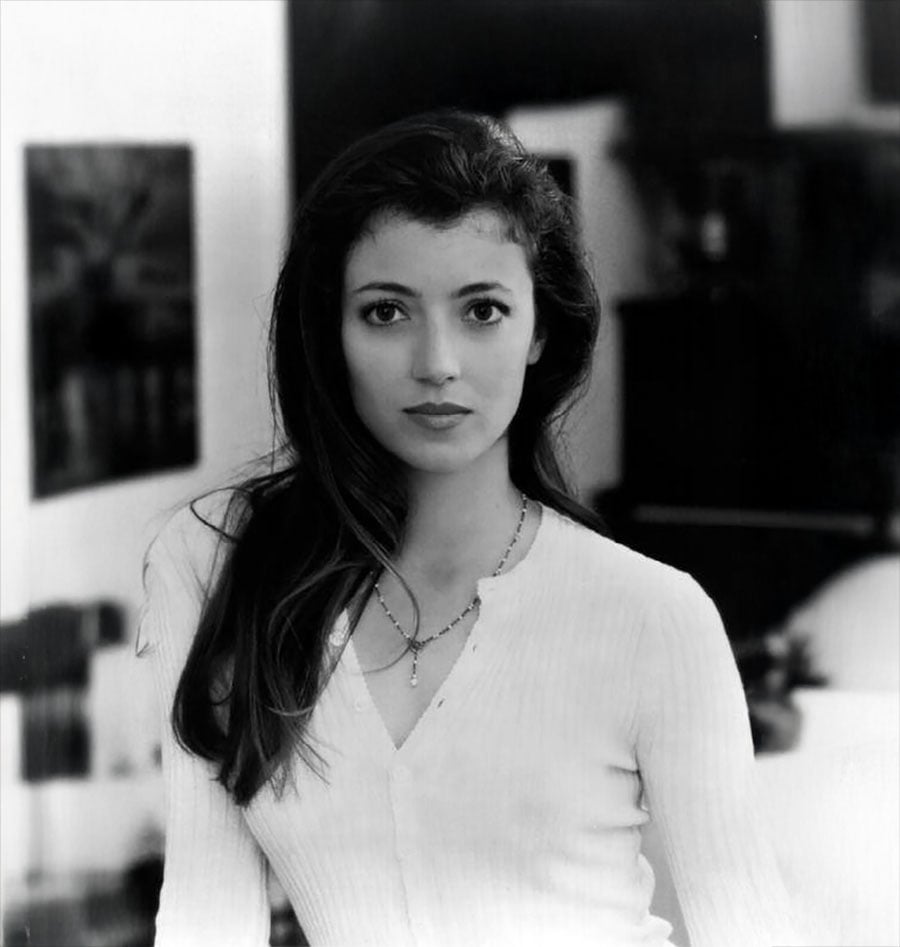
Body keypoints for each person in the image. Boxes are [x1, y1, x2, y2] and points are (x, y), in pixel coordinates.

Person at [139, 110, 796, 947]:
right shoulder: (212, 565)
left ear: (539, 331)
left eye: (482, 309)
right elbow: (204, 920)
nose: (437, 361)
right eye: (385, 312)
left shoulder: (653, 616)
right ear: (329, 332)